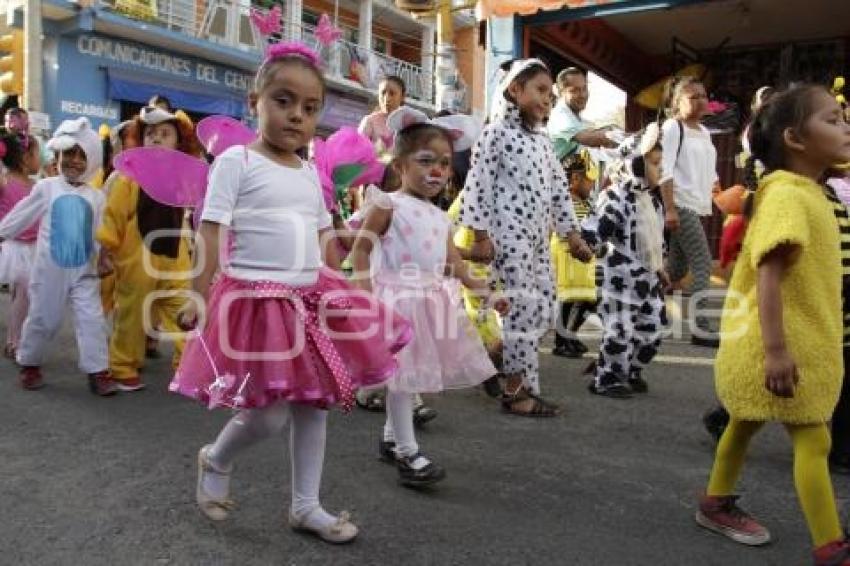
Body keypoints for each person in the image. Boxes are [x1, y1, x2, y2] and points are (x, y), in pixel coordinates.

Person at [169, 42, 410, 543]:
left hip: (310, 301)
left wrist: (342, 287)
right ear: (254, 98)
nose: (296, 116)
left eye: (309, 107)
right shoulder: (235, 161)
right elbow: (211, 231)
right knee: (269, 415)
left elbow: (325, 235)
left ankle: (307, 506)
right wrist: (196, 293)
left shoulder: (308, 171)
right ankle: (216, 457)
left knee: (313, 406)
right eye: (283, 101)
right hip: (256, 303)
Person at [695, 85, 850, 566]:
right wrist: (778, 351)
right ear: (795, 138)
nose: (845, 127)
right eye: (832, 119)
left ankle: (714, 502)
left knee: (743, 420)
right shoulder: (789, 196)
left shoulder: (810, 193)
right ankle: (831, 546)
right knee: (815, 439)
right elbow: (769, 274)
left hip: (792, 340)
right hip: (780, 345)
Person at [350, 105, 507, 487]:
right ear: (400, 165)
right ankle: (407, 452)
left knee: (409, 378)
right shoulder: (388, 204)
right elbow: (361, 250)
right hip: (395, 302)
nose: (437, 170)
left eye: (444, 163)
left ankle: (391, 438)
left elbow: (452, 262)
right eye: (426, 161)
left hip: (428, 303)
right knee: (404, 378)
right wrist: (364, 293)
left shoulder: (440, 217)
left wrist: (485, 291)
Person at [460, 58, 593, 416]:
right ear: (514, 90)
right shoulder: (494, 133)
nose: (547, 100)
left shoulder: (543, 140)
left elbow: (559, 193)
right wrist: (482, 236)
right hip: (507, 238)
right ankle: (519, 394)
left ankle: (494, 357)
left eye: (551, 95)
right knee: (520, 311)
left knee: (546, 309)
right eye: (540, 91)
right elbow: (478, 187)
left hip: (538, 240)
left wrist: (573, 236)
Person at [0, 117, 114, 394]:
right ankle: (29, 362)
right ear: (57, 156)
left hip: (84, 271)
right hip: (49, 270)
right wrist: (2, 232)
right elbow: (22, 213)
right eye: (68, 154)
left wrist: (103, 257)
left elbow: (99, 231)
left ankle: (97, 371)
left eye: (81, 155)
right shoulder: (46, 188)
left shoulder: (96, 197)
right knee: (43, 317)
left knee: (92, 319)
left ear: (93, 160)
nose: (74, 161)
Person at [96, 106, 198, 391]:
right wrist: (106, 251)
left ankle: (186, 365)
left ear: (178, 142)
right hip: (137, 257)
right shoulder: (129, 176)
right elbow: (114, 214)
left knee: (184, 311)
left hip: (175, 257)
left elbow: (190, 218)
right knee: (132, 312)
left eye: (165, 134)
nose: (157, 139)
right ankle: (122, 364)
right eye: (151, 133)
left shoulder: (184, 178)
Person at [581, 124, 668, 398]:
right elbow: (596, 227)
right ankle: (607, 379)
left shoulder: (651, 200)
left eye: (660, 163)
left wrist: (661, 269)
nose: (660, 169)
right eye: (654, 164)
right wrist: (585, 244)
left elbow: (654, 241)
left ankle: (629, 369)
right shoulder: (616, 197)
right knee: (619, 330)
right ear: (635, 164)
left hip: (648, 279)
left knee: (653, 327)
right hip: (620, 278)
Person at [658, 76, 720, 347]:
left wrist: (717, 188)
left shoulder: (704, 132)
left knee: (676, 269)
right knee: (703, 263)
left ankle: (642, 306)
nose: (700, 100)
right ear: (677, 102)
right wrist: (670, 208)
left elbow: (708, 167)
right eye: (693, 96)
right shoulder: (673, 127)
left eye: (704, 95)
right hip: (680, 204)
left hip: (695, 204)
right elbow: (664, 169)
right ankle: (701, 328)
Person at [0, 130, 41, 359]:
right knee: (22, 294)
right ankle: (14, 342)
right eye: (38, 153)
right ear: (26, 158)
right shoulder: (6, 181)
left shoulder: (38, 185)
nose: (41, 159)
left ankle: (21, 337)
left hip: (35, 248)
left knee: (27, 296)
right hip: (15, 248)